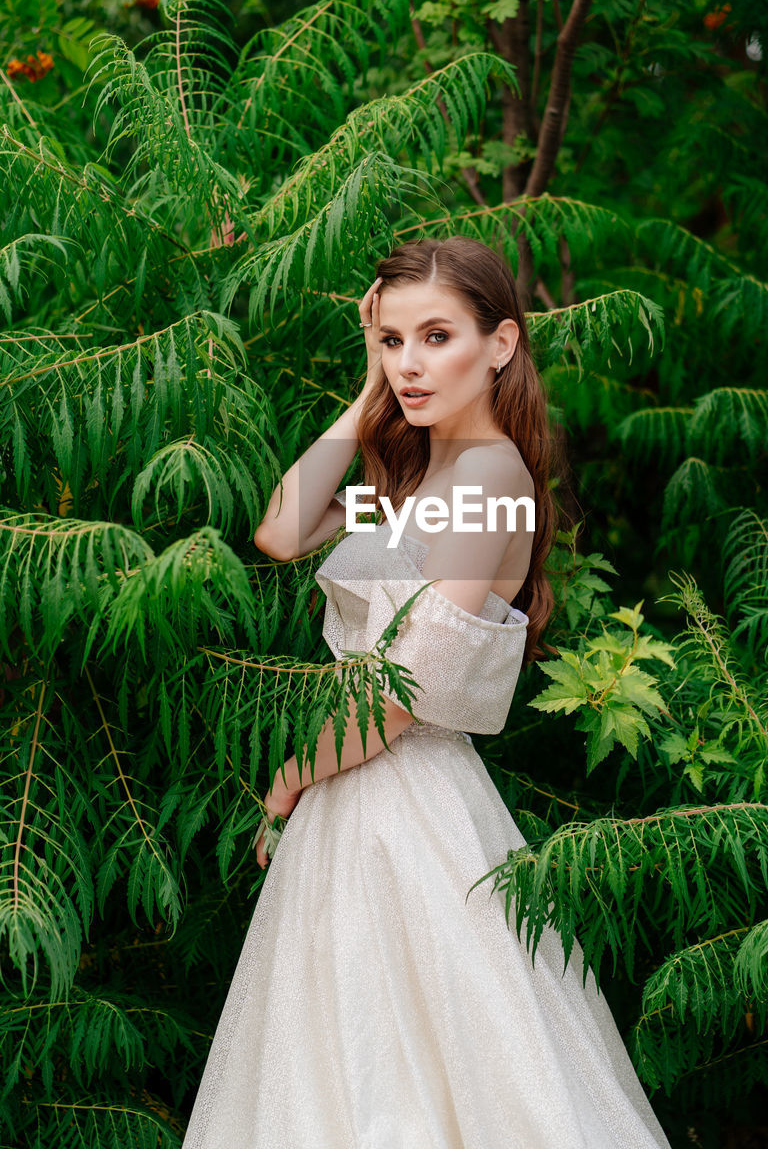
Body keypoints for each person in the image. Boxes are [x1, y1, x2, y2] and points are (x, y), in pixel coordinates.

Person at [182, 237, 671, 1149]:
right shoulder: (412, 482)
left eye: (435, 336)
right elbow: (281, 529)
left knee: (409, 1076)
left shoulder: (490, 478)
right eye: (392, 338)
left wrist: (290, 776)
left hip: (404, 796)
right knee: (350, 1065)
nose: (409, 362)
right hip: (359, 796)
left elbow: (408, 688)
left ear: (500, 345)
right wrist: (370, 393)